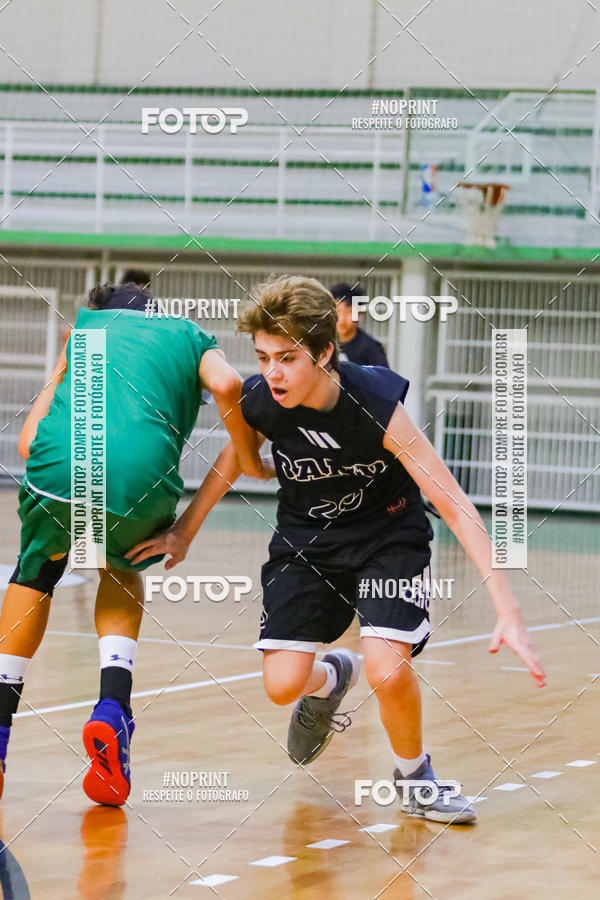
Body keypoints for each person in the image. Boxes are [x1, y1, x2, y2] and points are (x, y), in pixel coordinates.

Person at [127, 274, 545, 825]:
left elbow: (453, 501)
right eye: (263, 356)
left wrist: (508, 610)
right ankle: (332, 676)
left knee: (389, 670)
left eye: (287, 357)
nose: (272, 371)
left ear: (325, 352)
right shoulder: (262, 400)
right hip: (307, 543)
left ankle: (416, 779)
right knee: (281, 688)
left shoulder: (374, 403)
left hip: (387, 539)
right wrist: (185, 530)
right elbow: (235, 456)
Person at [0, 282, 261, 805]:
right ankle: (112, 709)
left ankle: (1, 723)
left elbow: (29, 444)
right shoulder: (189, 335)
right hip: (138, 483)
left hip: (57, 474)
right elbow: (230, 383)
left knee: (39, 568)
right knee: (120, 566)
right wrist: (249, 462)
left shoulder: (85, 330)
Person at [330, 282, 389, 366]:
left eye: (349, 312)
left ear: (360, 313)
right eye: (338, 311)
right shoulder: (323, 343)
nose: (342, 319)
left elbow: (383, 377)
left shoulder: (371, 348)